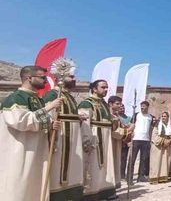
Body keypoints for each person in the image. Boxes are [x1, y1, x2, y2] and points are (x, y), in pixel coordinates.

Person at [0, 66, 62, 201]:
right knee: (19, 188)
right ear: (29, 78)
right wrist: (49, 107)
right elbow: (20, 121)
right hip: (20, 151)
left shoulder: (38, 99)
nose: (46, 81)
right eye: (42, 77)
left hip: (37, 152)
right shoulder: (16, 98)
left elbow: (39, 121)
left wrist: (52, 125)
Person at [42, 59, 85, 201]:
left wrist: (77, 117)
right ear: (60, 77)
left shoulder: (70, 97)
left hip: (73, 140)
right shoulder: (53, 95)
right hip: (60, 139)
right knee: (58, 169)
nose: (74, 79)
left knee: (73, 169)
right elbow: (48, 116)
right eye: (71, 76)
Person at [78, 79, 118, 200]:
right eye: (103, 87)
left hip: (106, 139)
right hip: (95, 138)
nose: (106, 89)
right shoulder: (87, 103)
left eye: (107, 87)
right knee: (94, 166)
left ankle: (105, 191)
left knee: (106, 165)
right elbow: (85, 124)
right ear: (94, 89)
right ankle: (91, 193)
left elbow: (110, 123)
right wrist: (86, 141)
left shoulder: (105, 104)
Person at [108, 95, 132, 189]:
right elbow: (113, 131)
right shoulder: (108, 115)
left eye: (120, 104)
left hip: (117, 143)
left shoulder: (116, 115)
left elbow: (122, 127)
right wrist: (129, 130)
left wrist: (129, 132)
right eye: (117, 104)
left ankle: (112, 187)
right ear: (110, 104)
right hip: (110, 142)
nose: (119, 106)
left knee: (116, 163)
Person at [130, 100, 154, 183]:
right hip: (136, 139)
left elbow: (151, 129)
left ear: (147, 107)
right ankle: (129, 177)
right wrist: (130, 136)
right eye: (141, 106)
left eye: (144, 106)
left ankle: (140, 176)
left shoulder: (150, 117)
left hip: (146, 140)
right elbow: (131, 126)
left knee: (143, 159)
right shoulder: (136, 115)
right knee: (132, 159)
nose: (142, 107)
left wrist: (150, 140)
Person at [150, 111, 171, 184]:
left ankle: (163, 177)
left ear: (168, 117)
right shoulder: (157, 125)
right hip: (158, 147)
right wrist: (163, 141)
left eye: (165, 116)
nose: (163, 117)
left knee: (165, 162)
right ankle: (155, 178)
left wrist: (170, 140)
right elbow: (154, 135)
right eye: (162, 116)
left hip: (167, 147)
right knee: (156, 162)